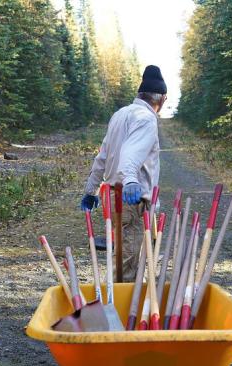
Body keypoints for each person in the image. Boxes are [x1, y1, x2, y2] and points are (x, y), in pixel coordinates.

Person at [81, 65, 167, 282]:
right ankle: (123, 310)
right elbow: (130, 154)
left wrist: (91, 189)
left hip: (112, 196)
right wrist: (130, 180)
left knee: (120, 256)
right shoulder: (147, 119)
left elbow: (103, 155)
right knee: (127, 262)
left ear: (140, 94)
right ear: (162, 99)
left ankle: (119, 302)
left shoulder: (120, 114)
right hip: (130, 198)